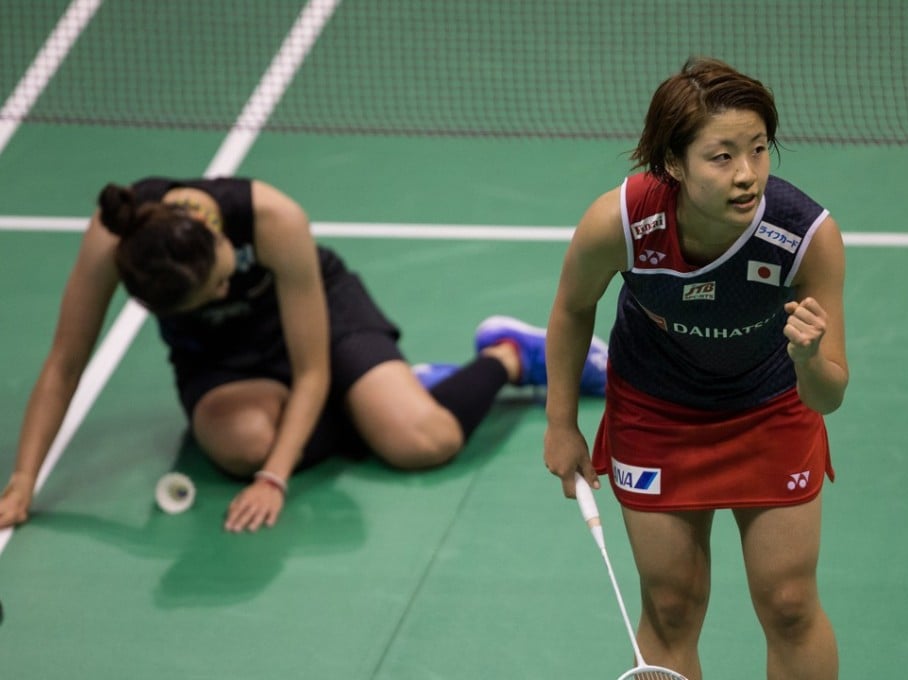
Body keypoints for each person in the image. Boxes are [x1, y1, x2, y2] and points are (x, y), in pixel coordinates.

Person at [0, 176, 608, 534]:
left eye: (222, 274)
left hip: (317, 315)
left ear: (218, 236)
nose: (225, 289)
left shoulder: (271, 218)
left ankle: (506, 357)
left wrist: (275, 478)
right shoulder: (115, 239)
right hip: (218, 356)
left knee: (423, 441)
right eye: (208, 293)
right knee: (240, 445)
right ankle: (381, 396)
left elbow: (312, 366)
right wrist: (24, 481)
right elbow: (65, 362)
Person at [543, 57, 848, 679]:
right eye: (723, 156)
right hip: (657, 410)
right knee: (672, 606)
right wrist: (561, 423)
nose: (747, 175)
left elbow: (827, 398)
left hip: (770, 405)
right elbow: (573, 309)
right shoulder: (621, 223)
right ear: (674, 164)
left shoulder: (804, 236)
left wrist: (811, 359)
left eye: (759, 150)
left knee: (790, 605)